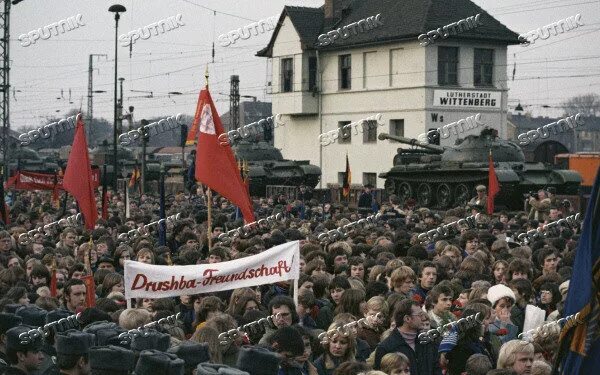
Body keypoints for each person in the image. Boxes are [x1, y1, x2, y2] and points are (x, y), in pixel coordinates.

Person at [373, 299, 441, 375]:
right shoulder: (386, 347)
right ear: (407, 318)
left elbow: (436, 369)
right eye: (419, 315)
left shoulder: (428, 342)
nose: (423, 318)